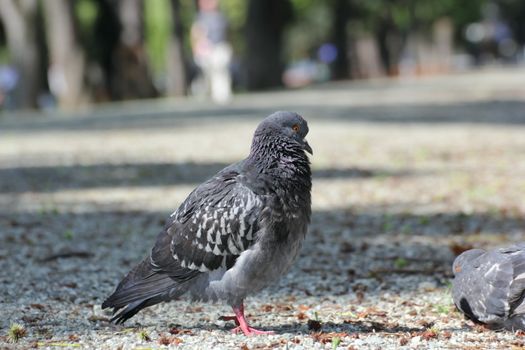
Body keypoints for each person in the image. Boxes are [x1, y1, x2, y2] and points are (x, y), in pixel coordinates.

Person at [190, 0, 232, 104]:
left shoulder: (221, 16)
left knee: (220, 70)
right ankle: (205, 93)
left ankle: (222, 95)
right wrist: (196, 48)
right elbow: (195, 33)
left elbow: (228, 34)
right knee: (207, 73)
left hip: (220, 47)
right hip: (206, 49)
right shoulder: (200, 17)